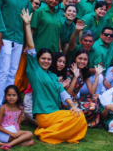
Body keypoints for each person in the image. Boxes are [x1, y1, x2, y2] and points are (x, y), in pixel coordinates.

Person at [20, 9, 88, 144]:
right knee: (77, 120)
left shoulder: (53, 76)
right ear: (38, 60)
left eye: (49, 59)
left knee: (79, 115)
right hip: (44, 115)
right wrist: (27, 25)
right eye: (43, 58)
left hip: (55, 113)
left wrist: (73, 106)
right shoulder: (35, 71)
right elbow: (32, 47)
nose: (46, 61)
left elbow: (63, 94)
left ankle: (55, 132)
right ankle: (45, 134)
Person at [0, 0, 31, 107]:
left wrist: (26, 43)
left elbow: (27, 22)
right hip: (5, 37)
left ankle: (7, 103)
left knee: (12, 72)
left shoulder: (25, 0)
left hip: (19, 40)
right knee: (3, 71)